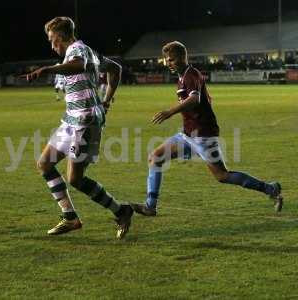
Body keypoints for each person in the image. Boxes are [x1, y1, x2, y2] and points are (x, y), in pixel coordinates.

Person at [131, 41, 283, 217]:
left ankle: (270, 189)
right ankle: (150, 206)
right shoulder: (183, 76)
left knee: (222, 176)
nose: (168, 63)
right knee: (156, 157)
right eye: (166, 60)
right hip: (188, 134)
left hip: (203, 135)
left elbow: (194, 99)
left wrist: (170, 112)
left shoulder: (190, 75)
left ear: (182, 57)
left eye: (171, 59)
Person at [22, 16, 133, 239]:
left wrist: (45, 70)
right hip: (71, 119)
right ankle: (70, 217)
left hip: (85, 121)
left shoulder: (77, 50)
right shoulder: (90, 53)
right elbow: (116, 69)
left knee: (76, 179)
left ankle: (122, 211)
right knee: (44, 164)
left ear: (62, 37)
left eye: (52, 40)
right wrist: (107, 99)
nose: (52, 45)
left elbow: (79, 66)